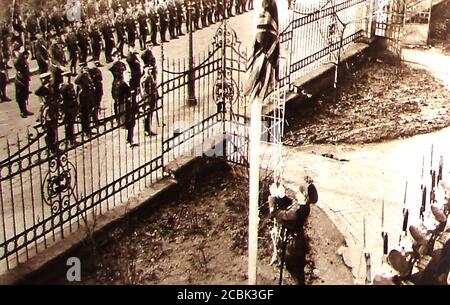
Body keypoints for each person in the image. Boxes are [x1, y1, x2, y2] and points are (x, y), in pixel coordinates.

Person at [269, 178, 318, 285]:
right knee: (297, 271)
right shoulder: (303, 206)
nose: (296, 193)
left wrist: (273, 197)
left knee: (294, 269)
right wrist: (282, 197)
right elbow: (292, 204)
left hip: (294, 247)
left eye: (299, 192)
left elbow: (276, 213)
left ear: (304, 197)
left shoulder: (296, 213)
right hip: (298, 241)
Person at [35, 72, 59, 153]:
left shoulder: (50, 88)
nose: (50, 81)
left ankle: (53, 146)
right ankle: (50, 147)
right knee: (48, 130)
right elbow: (37, 92)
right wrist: (43, 84)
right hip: (47, 112)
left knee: (53, 129)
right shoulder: (43, 89)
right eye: (48, 80)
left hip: (52, 110)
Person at [14, 46, 34, 118]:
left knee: (25, 94)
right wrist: (20, 54)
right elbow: (16, 64)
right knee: (20, 97)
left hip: (24, 78)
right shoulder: (17, 58)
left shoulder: (22, 58)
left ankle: (25, 110)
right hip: (20, 80)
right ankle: (22, 111)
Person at [60, 71, 79, 146]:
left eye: (69, 77)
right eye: (66, 77)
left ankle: (71, 139)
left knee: (71, 124)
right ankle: (69, 140)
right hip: (66, 108)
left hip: (72, 107)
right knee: (68, 125)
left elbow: (73, 95)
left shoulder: (70, 85)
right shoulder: (63, 87)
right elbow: (61, 97)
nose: (68, 79)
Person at [141, 66, 159, 136]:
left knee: (149, 114)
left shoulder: (150, 77)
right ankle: (147, 130)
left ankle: (148, 129)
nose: (150, 71)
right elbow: (145, 90)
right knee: (147, 114)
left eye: (151, 70)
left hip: (152, 98)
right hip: (148, 98)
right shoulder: (145, 78)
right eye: (148, 70)